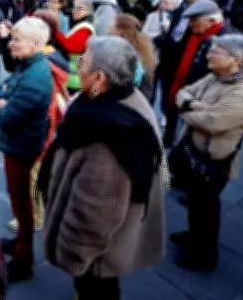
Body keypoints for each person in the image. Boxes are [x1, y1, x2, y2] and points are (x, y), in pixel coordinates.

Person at [37, 36, 165, 298]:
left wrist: (74, 256)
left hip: (98, 256)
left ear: (99, 77)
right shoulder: (112, 97)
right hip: (108, 247)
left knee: (96, 288)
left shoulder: (107, 135)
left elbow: (95, 214)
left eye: (83, 60)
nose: (77, 66)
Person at [173, 34, 243, 270]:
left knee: (206, 208)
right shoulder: (215, 76)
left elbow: (212, 122)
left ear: (236, 59)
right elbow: (183, 93)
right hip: (195, 151)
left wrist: (185, 111)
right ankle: (192, 236)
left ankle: (202, 256)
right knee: (195, 201)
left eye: (216, 52)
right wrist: (192, 105)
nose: (209, 55)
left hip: (214, 161)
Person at [0, 17, 54, 282]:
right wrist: (1, 99)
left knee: (22, 203)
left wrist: (4, 103)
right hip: (18, 144)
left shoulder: (36, 76)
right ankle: (20, 245)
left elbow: (7, 116)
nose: (10, 44)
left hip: (22, 147)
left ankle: (24, 259)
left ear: (37, 44)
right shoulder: (28, 66)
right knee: (19, 201)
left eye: (16, 39)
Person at [164, 0, 229, 148]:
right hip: (186, 89)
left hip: (201, 99)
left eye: (195, 20)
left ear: (211, 21)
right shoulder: (197, 33)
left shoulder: (223, 40)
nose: (191, 24)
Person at [110, 14, 157, 101]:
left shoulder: (130, 57)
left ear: (120, 31)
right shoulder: (140, 50)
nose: (108, 31)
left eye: (111, 27)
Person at [56, 0, 96, 92]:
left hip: (75, 79)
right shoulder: (80, 25)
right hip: (73, 77)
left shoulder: (84, 27)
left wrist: (57, 33)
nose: (75, 11)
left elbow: (72, 47)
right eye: (74, 8)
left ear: (89, 11)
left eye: (80, 8)